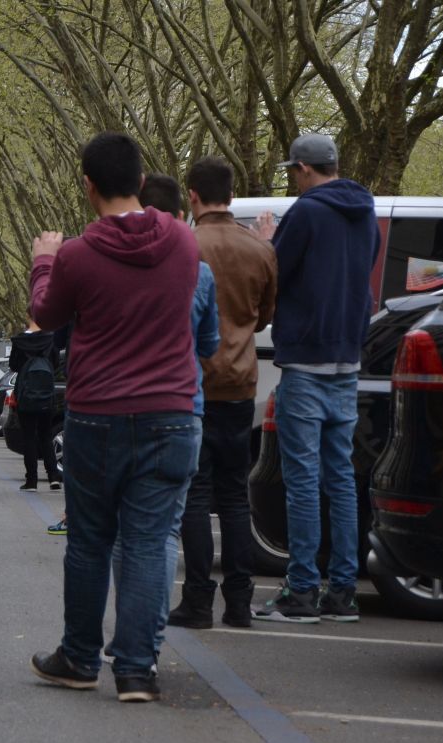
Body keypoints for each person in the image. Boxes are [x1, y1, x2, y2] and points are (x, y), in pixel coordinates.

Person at [28, 132, 201, 703]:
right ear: (142, 179)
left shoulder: (77, 254)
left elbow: (44, 314)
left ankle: (79, 658)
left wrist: (43, 261)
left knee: (90, 542)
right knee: (150, 542)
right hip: (172, 414)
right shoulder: (181, 240)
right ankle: (135, 672)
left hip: (98, 414)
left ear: (88, 185)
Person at [253, 133, 378, 623]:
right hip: (347, 360)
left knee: (301, 481)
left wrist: (265, 244)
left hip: (305, 360)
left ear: (304, 168)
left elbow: (275, 274)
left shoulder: (306, 212)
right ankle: (342, 592)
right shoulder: (364, 211)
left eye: (293, 171)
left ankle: (301, 590)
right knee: (340, 481)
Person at [109, 173, 219, 660]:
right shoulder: (198, 268)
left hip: (118, 405)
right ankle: (145, 645)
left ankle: (124, 639)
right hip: (182, 407)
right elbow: (209, 344)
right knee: (160, 533)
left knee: (121, 532)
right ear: (181, 213)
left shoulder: (112, 259)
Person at [168, 157, 278, 630]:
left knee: (195, 493)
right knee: (235, 496)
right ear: (231, 195)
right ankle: (239, 600)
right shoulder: (260, 249)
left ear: (192, 196)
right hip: (241, 382)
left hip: (194, 383)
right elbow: (265, 317)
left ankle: (196, 599)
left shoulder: (185, 247)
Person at [8, 318, 56, 491]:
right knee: (46, 436)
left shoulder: (19, 341)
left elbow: (13, 365)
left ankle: (32, 481)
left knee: (29, 437)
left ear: (28, 318)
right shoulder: (51, 339)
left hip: (26, 394)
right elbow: (56, 364)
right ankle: (53, 477)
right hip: (46, 394)